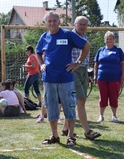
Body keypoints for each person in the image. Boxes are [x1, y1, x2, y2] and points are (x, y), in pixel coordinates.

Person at [35, 11, 90, 146]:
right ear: (46, 23)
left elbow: (86, 46)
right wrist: (41, 64)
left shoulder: (68, 34)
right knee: (52, 108)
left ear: (59, 22)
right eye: (49, 21)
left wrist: (77, 63)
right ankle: (54, 136)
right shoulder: (44, 37)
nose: (52, 23)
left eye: (55, 20)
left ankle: (71, 136)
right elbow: (38, 52)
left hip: (66, 79)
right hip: (49, 79)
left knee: (69, 108)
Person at [61, 16, 101, 140]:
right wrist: (76, 64)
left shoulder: (84, 37)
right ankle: (87, 130)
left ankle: (65, 128)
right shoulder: (69, 36)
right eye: (80, 24)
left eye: (85, 24)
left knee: (76, 101)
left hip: (83, 70)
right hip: (73, 71)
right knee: (80, 100)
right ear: (74, 24)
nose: (83, 26)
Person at [94, 31, 124, 123]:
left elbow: (123, 63)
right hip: (102, 77)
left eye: (111, 38)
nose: (109, 40)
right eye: (107, 39)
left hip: (115, 78)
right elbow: (96, 63)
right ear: (105, 40)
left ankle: (114, 116)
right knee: (102, 96)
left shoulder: (118, 50)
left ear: (114, 40)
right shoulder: (101, 50)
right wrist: (95, 75)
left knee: (113, 96)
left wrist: (123, 75)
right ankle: (101, 115)